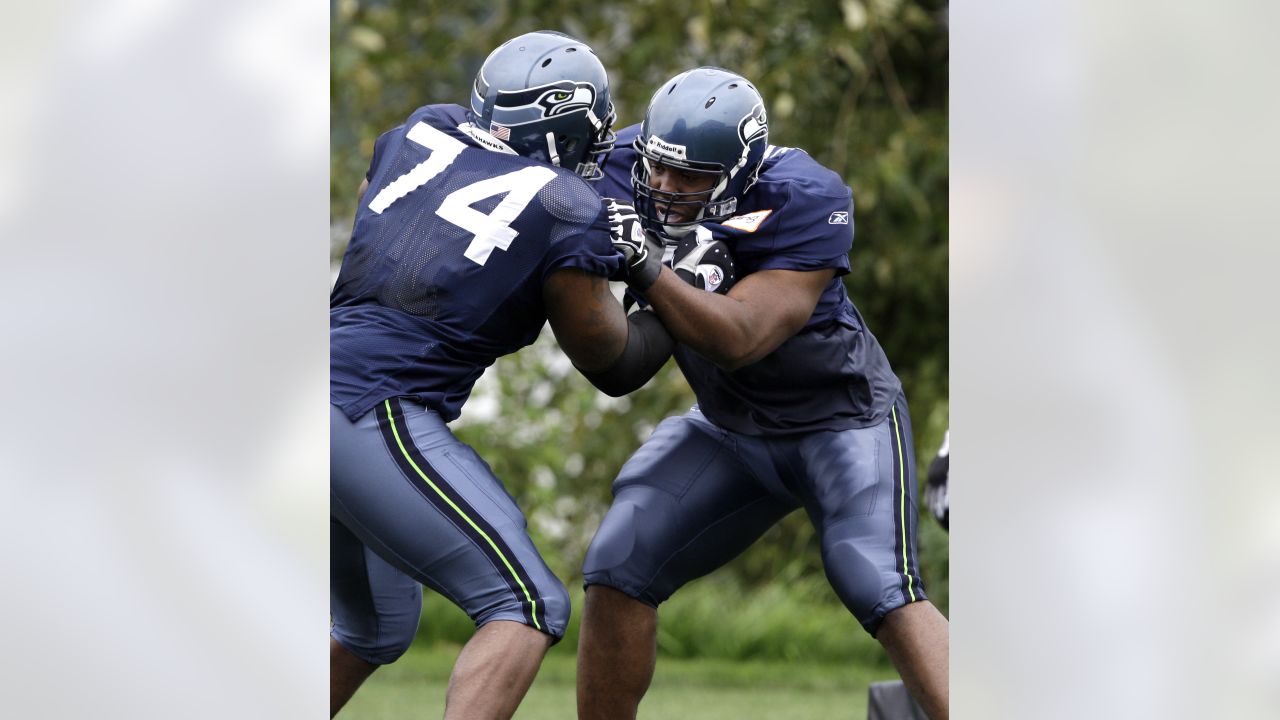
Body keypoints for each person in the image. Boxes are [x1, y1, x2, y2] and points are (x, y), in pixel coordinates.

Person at [576, 67, 951, 719]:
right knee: (618, 562)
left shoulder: (802, 195)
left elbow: (742, 335)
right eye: (659, 169)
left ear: (740, 171)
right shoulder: (616, 164)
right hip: (730, 426)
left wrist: (644, 265)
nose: (665, 187)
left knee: (878, 582)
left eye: (690, 177)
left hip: (841, 420)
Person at [328, 31, 676, 719]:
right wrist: (669, 284)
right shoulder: (567, 208)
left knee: (374, 628)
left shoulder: (418, 132)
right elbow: (614, 364)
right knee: (525, 604)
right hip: (371, 408)